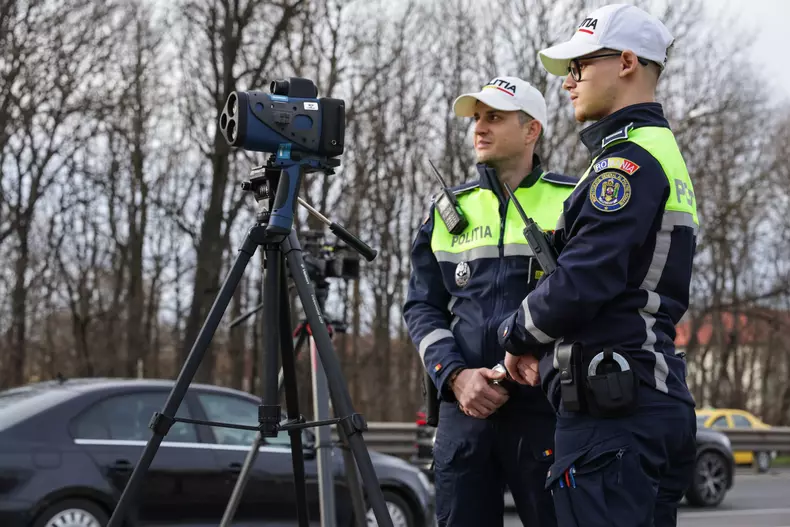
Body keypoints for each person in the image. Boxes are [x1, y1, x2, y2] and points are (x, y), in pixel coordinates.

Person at [497, 4, 698, 527]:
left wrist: (517, 334)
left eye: (580, 66)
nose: (569, 81)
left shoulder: (625, 164)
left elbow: (584, 280)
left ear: (627, 62)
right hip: (648, 396)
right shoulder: (656, 152)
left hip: (613, 411)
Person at [403, 76, 577, 527]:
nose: (479, 127)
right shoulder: (446, 211)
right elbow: (421, 307)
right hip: (464, 410)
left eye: (494, 117)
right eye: (477, 118)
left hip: (547, 408)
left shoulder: (572, 200)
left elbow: (588, 299)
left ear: (531, 129)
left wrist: (545, 362)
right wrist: (456, 377)